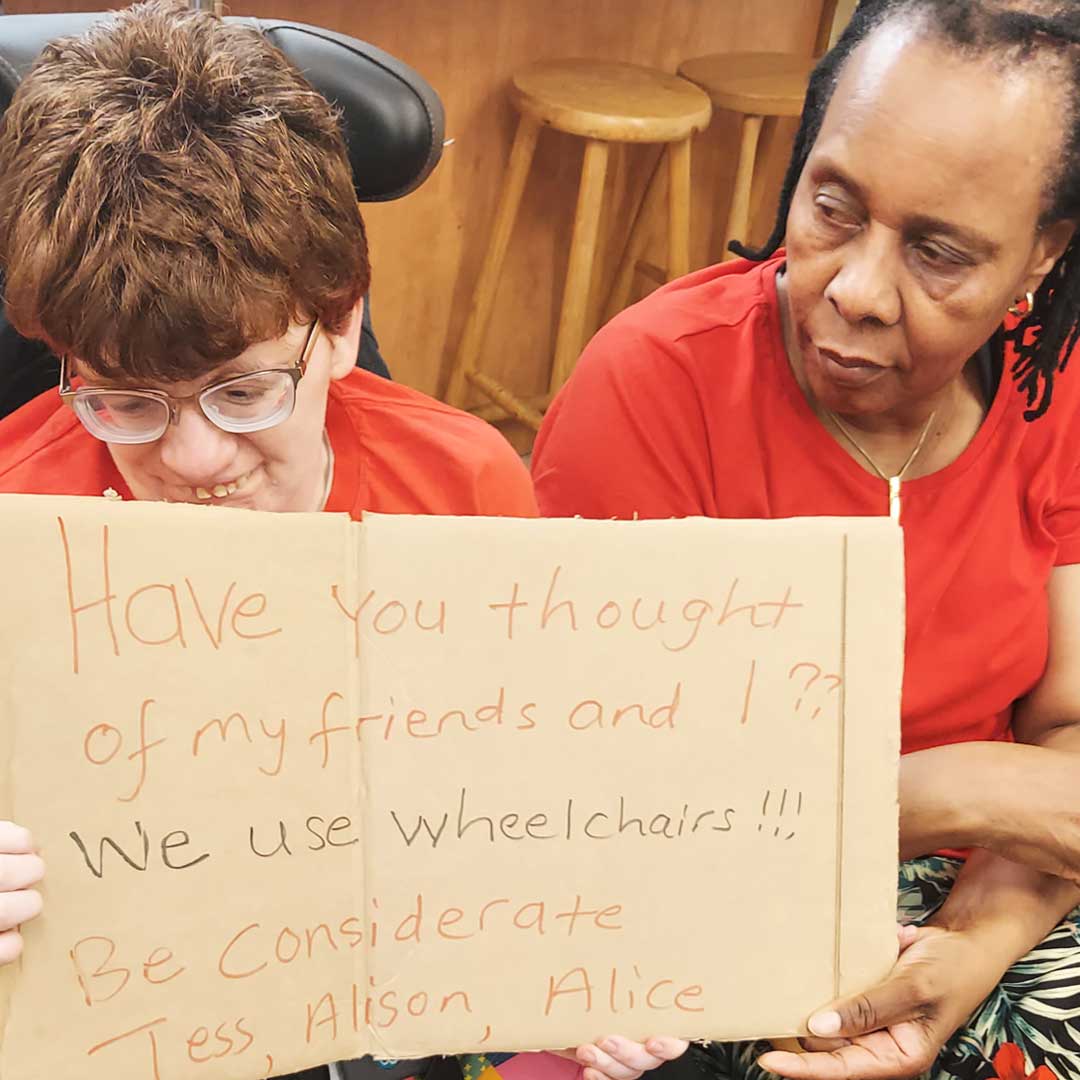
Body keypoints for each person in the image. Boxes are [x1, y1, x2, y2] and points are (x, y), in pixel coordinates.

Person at [0, 5, 687, 1080]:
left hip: (375, 991)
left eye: (242, 391)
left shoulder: (459, 487)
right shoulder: (17, 511)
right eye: (126, 401)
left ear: (341, 325)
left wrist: (587, 976)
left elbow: (535, 799)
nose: (187, 457)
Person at [532, 1, 1080, 1079]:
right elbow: (606, 802)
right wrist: (957, 788)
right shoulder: (654, 387)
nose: (857, 288)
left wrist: (971, 946)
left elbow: (1069, 725)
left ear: (1039, 260)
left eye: (938, 253)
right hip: (705, 899)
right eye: (832, 206)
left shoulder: (1050, 390)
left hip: (1000, 892)